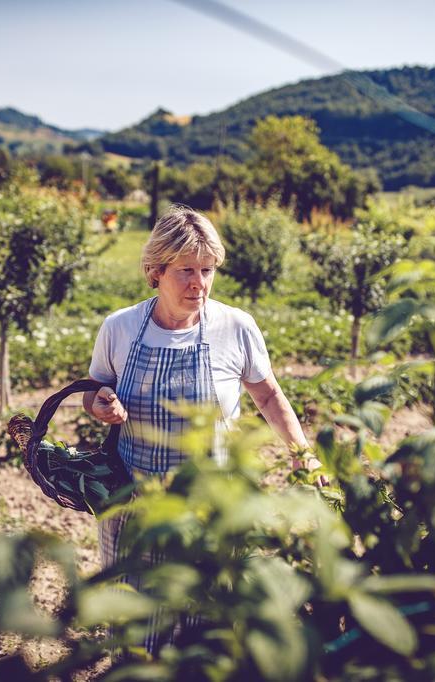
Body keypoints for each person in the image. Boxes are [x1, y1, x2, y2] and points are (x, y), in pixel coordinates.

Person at [82, 205, 315, 653]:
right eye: (186, 270)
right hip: (134, 506)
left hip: (208, 508)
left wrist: (304, 454)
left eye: (207, 270)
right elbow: (94, 390)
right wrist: (102, 405)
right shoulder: (121, 327)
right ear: (155, 271)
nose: (199, 284)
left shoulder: (235, 327)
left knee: (200, 630)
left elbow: (268, 397)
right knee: (134, 629)